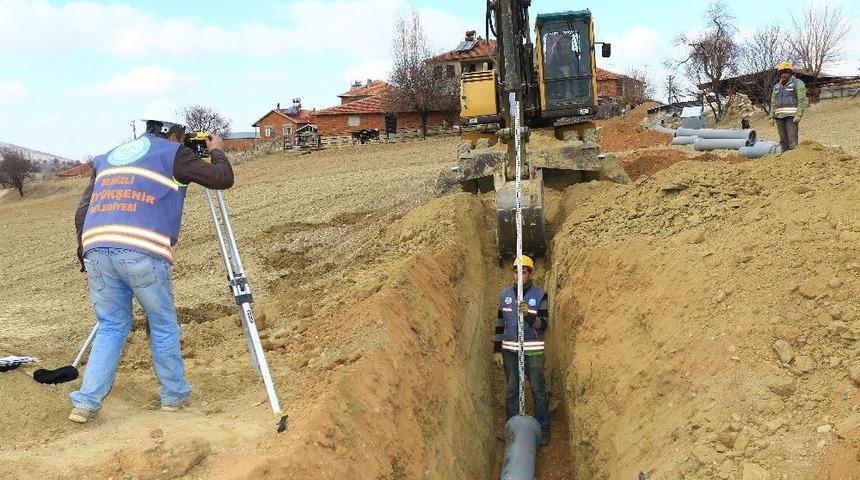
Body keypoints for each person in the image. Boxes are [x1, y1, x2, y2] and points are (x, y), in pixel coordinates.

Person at [68, 119, 234, 423]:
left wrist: (84, 255)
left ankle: (86, 402)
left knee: (111, 325)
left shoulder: (108, 157)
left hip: (96, 246)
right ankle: (174, 395)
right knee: (162, 323)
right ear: (174, 134)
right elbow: (222, 179)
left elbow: (82, 210)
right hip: (141, 248)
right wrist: (216, 151)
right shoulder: (173, 153)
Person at [493, 255, 550, 445]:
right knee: (512, 391)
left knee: (537, 390)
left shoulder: (540, 295)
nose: (519, 275)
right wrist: (497, 349)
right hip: (510, 351)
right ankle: (511, 429)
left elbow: (544, 325)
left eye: (523, 272)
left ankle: (542, 431)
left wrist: (528, 315)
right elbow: (500, 323)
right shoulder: (505, 295)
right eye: (516, 271)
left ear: (530, 274)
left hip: (533, 351)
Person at [770, 61, 807, 152]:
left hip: (791, 117)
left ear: (790, 72)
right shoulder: (777, 86)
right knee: (783, 141)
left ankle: (794, 161)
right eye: (781, 72)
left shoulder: (797, 83)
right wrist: (772, 116)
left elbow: (801, 100)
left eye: (786, 72)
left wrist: (799, 114)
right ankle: (784, 161)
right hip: (779, 117)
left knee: (792, 142)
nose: (783, 74)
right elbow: (773, 101)